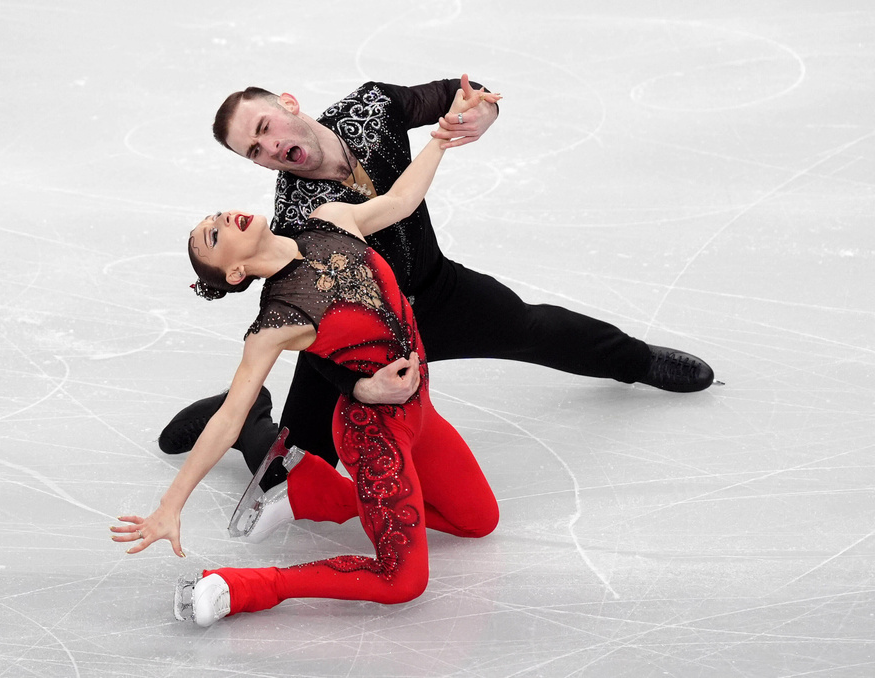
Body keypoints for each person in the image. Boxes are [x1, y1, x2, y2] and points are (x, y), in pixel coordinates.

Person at [158, 74, 716, 512]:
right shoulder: (295, 217)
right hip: (365, 341)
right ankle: (250, 422)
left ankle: (639, 361)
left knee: (537, 329)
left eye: (265, 126)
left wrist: (482, 112)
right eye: (254, 151)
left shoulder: (371, 109)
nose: (271, 147)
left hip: (436, 292)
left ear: (287, 104)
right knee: (286, 480)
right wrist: (360, 385)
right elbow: (313, 331)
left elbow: (461, 94)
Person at [111, 86, 501, 627]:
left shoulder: (329, 219)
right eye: (214, 233)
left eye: (218, 214)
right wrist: (170, 506)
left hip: (420, 412)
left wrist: (442, 136)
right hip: (373, 435)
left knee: (478, 522)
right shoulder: (275, 322)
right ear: (234, 274)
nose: (226, 217)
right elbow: (228, 419)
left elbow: (400, 201)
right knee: (402, 579)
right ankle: (242, 586)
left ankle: (313, 491)